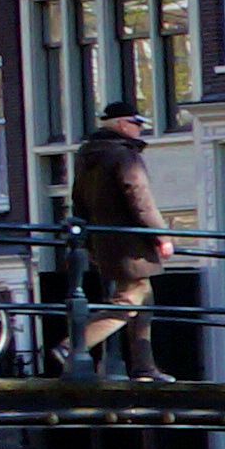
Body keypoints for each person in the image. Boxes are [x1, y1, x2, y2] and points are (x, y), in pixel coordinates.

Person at [63, 110, 168, 380]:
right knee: (132, 299)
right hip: (130, 244)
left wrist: (87, 239)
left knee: (144, 299)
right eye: (136, 124)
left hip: (103, 241)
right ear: (122, 124)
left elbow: (78, 199)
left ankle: (144, 367)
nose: (139, 130)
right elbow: (139, 197)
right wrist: (162, 235)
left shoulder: (87, 156)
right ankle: (74, 345)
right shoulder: (124, 154)